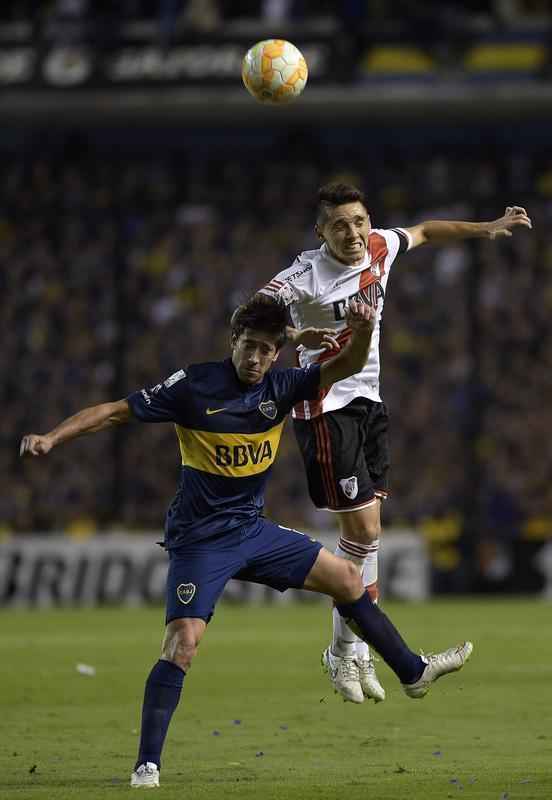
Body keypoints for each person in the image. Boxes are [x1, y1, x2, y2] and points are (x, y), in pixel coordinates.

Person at [20, 293, 473, 789]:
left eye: (265, 351)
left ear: (277, 353)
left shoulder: (282, 386)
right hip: (200, 542)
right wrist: (51, 438)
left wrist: (363, 329)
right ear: (232, 342)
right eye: (248, 347)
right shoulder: (194, 386)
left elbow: (346, 365)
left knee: (348, 578)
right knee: (183, 644)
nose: (255, 360)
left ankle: (412, 672)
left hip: (254, 531)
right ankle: (147, 764)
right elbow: (113, 412)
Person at [261, 184, 532, 704]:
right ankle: (350, 652)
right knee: (361, 529)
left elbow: (427, 230)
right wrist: (294, 337)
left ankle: (346, 651)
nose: (354, 233)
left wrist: (488, 227)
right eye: (340, 225)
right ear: (321, 233)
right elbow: (247, 316)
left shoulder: (381, 247)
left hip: (369, 404)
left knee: (368, 537)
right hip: (324, 407)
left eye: (359, 221)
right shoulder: (303, 276)